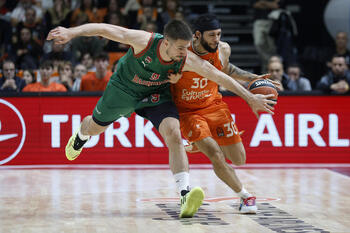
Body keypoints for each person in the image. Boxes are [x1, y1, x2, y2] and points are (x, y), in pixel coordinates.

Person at [47, 19, 275, 218]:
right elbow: (104, 29)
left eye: (187, 48)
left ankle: (185, 194)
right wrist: (71, 32)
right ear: (165, 42)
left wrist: (250, 98)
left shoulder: (186, 58)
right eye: (180, 48)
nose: (185, 53)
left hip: (156, 95)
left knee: (174, 135)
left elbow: (218, 75)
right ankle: (80, 136)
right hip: (124, 91)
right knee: (93, 128)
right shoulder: (143, 41)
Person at [169, 14, 279, 214]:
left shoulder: (223, 49)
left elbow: (225, 69)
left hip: (215, 107)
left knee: (239, 159)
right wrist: (171, 80)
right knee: (216, 155)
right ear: (197, 35)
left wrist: (253, 77)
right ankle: (246, 197)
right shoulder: (181, 52)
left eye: (219, 34)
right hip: (189, 112)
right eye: (212, 35)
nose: (216, 39)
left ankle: (200, 143)